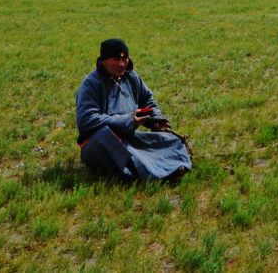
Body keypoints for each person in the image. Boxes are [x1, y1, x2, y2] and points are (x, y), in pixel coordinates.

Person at [76, 38, 192, 181]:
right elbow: (86, 121)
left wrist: (156, 120)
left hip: (127, 137)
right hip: (98, 143)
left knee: (170, 139)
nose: (121, 64)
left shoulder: (131, 77)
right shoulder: (90, 84)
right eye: (116, 59)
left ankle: (168, 166)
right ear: (103, 61)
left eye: (124, 59)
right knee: (107, 137)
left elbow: (147, 100)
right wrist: (128, 120)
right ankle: (148, 173)